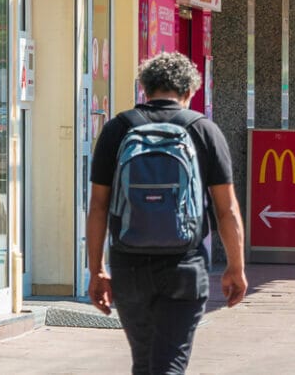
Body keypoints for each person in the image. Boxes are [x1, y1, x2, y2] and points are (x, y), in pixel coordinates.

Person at [87, 53, 247, 375]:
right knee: (168, 364)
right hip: (184, 265)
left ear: (145, 88)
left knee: (144, 362)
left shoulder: (117, 129)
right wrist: (235, 267)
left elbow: (98, 206)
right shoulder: (203, 130)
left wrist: (97, 270)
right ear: (189, 91)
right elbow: (226, 209)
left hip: (129, 263)